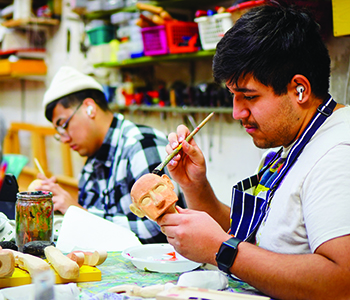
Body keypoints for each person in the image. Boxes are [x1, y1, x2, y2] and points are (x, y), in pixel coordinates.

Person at [157, 3, 350, 300]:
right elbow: (252, 236)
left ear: (300, 89)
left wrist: (221, 250)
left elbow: (342, 283)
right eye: (233, 97)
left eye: (248, 96)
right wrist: (194, 185)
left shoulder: (338, 153)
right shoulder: (289, 144)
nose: (237, 113)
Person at [39, 66, 175, 244]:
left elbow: (160, 228)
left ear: (89, 108)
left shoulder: (141, 145)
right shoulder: (91, 164)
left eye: (63, 124)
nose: (64, 139)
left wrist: (80, 214)